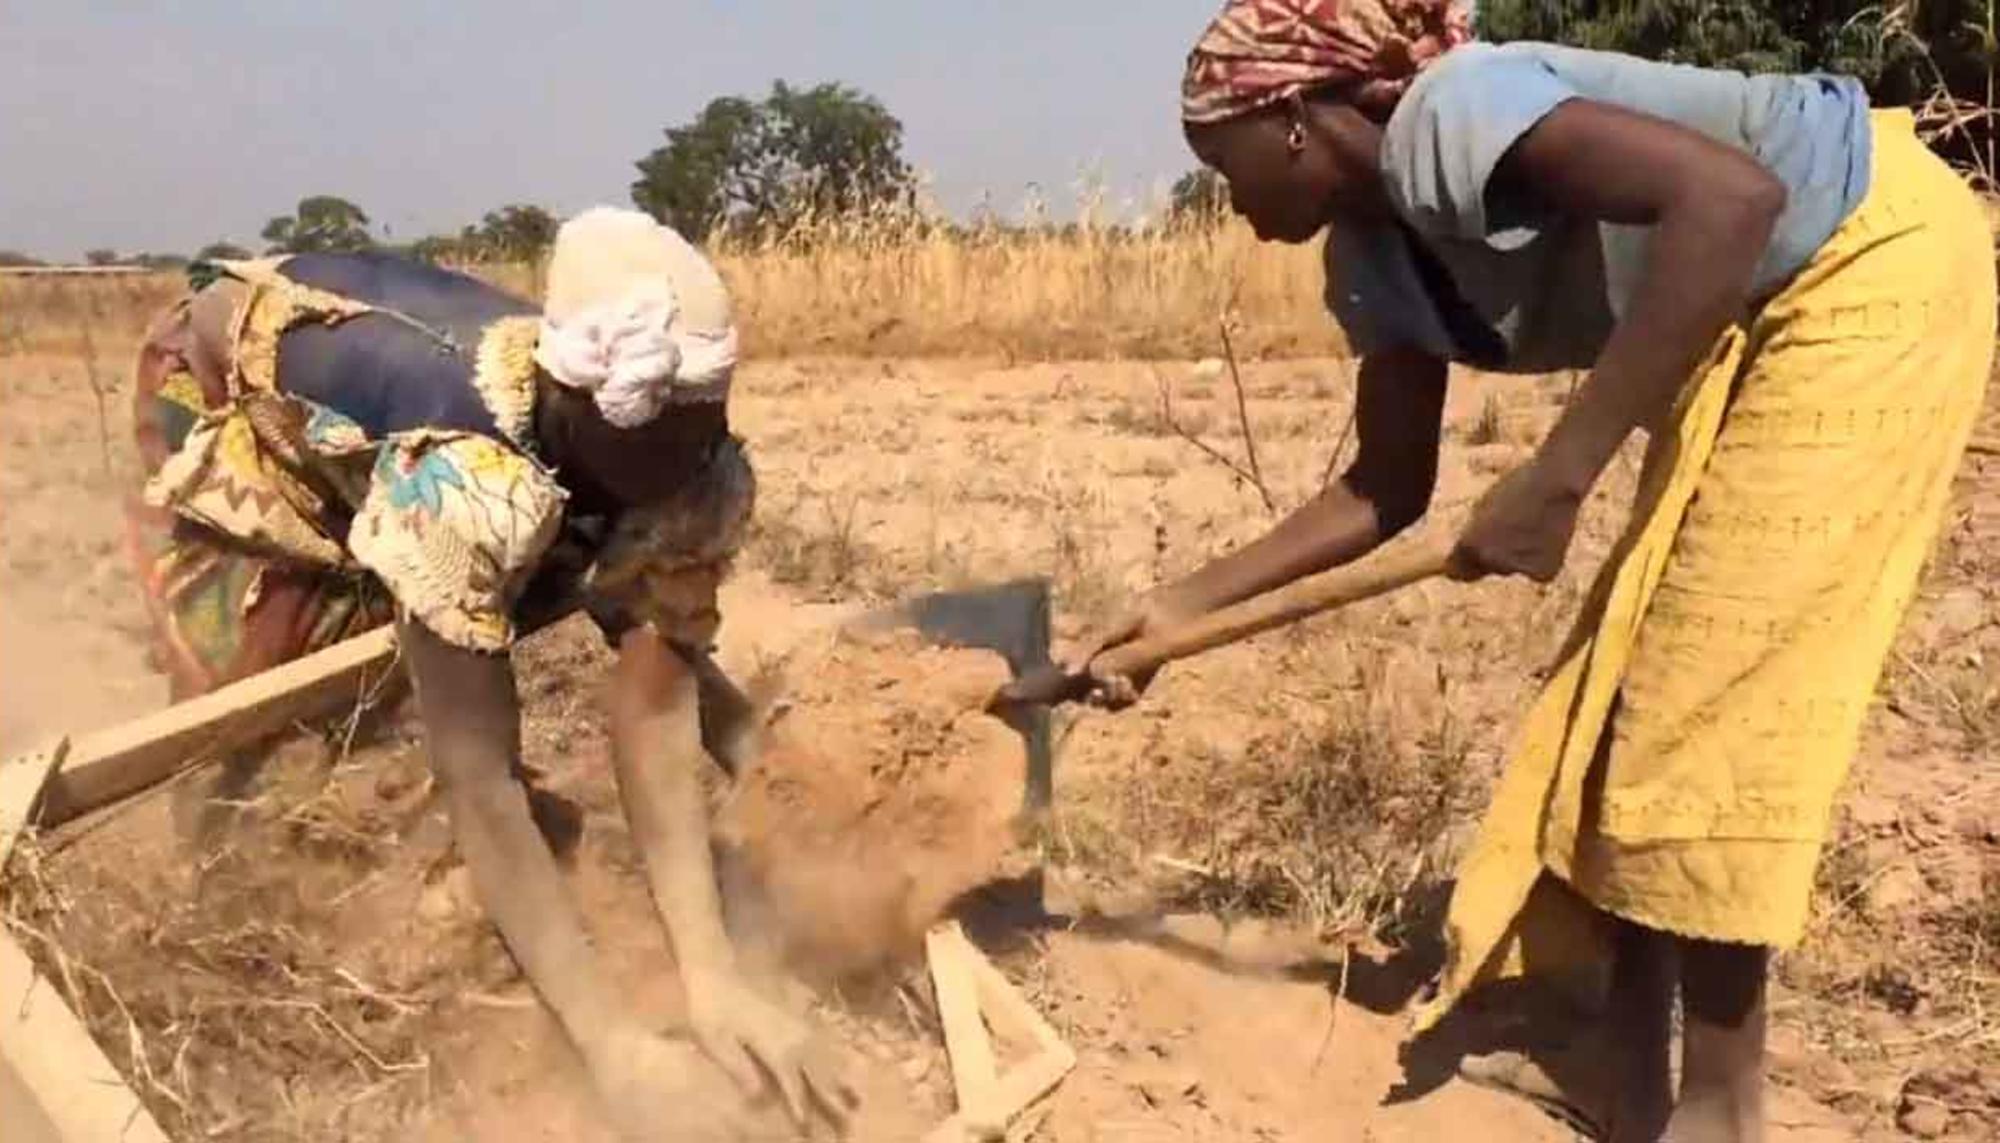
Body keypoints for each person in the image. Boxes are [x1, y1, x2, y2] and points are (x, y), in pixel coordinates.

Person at [1070, 2, 1995, 1140]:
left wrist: (1559, 475)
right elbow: (1380, 491)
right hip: (1756, 305)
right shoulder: (1369, 258)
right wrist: (1170, 612)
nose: (1229, 194)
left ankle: (1717, 1109)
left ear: (1294, 121)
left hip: (1863, 256)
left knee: (1707, 703)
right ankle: (1625, 1078)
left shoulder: (1453, 112)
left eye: (1224, 160)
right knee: (1623, 699)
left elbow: (1733, 198)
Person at [126, 207, 853, 1137]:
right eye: (650, 461)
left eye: (696, 439)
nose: (683, 478)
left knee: (529, 577)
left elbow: (656, 709)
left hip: (464, 450)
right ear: (571, 402)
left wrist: (710, 979)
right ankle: (209, 872)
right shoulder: (464, 480)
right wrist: (612, 1043)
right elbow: (484, 779)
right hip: (223, 382)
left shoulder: (690, 460)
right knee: (255, 667)